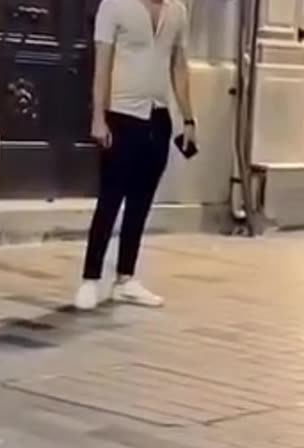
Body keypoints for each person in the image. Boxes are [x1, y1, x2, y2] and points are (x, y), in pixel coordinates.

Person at [75, 0, 197, 311]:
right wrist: (98, 118)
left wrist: (188, 119)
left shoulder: (177, 12)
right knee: (110, 201)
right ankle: (90, 279)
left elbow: (179, 66)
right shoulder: (115, 6)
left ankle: (126, 279)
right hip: (121, 114)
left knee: (140, 204)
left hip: (157, 118)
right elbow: (102, 66)